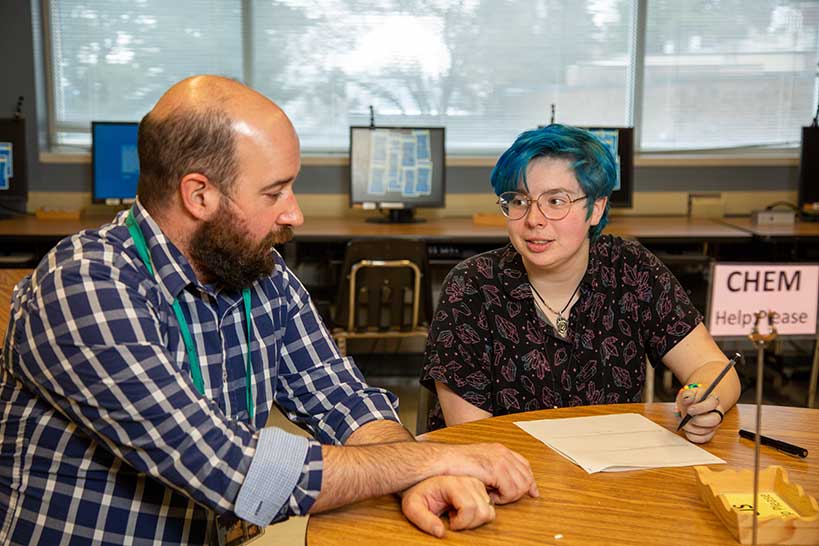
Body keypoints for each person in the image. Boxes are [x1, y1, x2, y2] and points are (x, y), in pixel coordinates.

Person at [0, 75, 538, 546]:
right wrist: (430, 459)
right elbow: (233, 471)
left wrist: (417, 477)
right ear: (199, 196)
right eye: (275, 191)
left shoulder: (263, 275)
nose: (296, 213)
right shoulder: (84, 284)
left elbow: (344, 400)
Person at [421, 124, 740, 442]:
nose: (534, 219)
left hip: (612, 472)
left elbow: (712, 367)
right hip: (506, 477)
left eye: (556, 201)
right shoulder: (472, 287)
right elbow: (473, 439)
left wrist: (703, 400)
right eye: (519, 201)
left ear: (595, 208)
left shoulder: (630, 270)